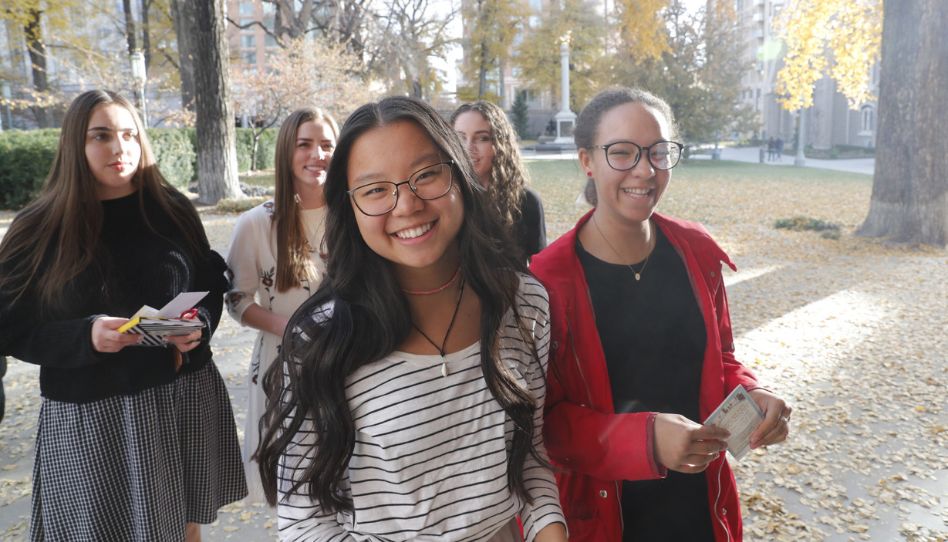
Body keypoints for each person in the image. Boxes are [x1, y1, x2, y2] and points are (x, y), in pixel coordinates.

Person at [256, 96, 567, 541]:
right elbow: (305, 520)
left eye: (426, 174)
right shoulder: (320, 339)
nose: (406, 205)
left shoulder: (523, 302)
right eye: (376, 189)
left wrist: (550, 530)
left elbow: (530, 457)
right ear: (351, 206)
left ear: (458, 173)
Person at [530, 87, 791, 542]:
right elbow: (544, 423)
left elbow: (721, 359)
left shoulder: (696, 251)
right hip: (606, 515)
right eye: (623, 153)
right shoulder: (547, 281)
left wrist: (755, 394)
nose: (646, 170)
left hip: (700, 507)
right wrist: (645, 439)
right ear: (587, 161)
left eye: (658, 152)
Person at [0, 90, 246, 541]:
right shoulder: (40, 226)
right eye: (102, 136)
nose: (120, 148)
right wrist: (85, 337)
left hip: (180, 396)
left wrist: (199, 326)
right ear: (76, 144)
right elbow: (9, 325)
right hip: (90, 414)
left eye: (130, 134)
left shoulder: (170, 209)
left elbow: (209, 280)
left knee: (183, 528)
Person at [225, 108, 338, 502]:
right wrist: (288, 327)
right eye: (304, 145)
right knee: (296, 491)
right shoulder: (256, 224)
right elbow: (237, 300)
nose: (317, 155)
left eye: (326, 145)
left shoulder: (355, 215)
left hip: (350, 360)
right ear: (286, 152)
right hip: (283, 366)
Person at [452, 101, 547, 262]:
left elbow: (541, 271)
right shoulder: (441, 200)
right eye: (461, 137)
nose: (469, 147)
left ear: (500, 144)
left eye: (482, 138)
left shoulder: (526, 202)